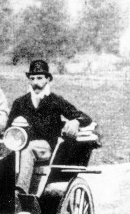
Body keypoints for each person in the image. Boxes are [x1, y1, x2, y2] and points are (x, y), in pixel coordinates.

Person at [7, 59, 93, 194]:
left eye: (40, 78)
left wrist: (75, 121)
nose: (36, 83)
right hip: (19, 145)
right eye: (32, 78)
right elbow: (8, 129)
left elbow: (85, 118)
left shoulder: (55, 101)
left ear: (47, 79)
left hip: (46, 147)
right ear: (29, 80)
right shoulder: (20, 102)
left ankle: (20, 192)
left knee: (28, 150)